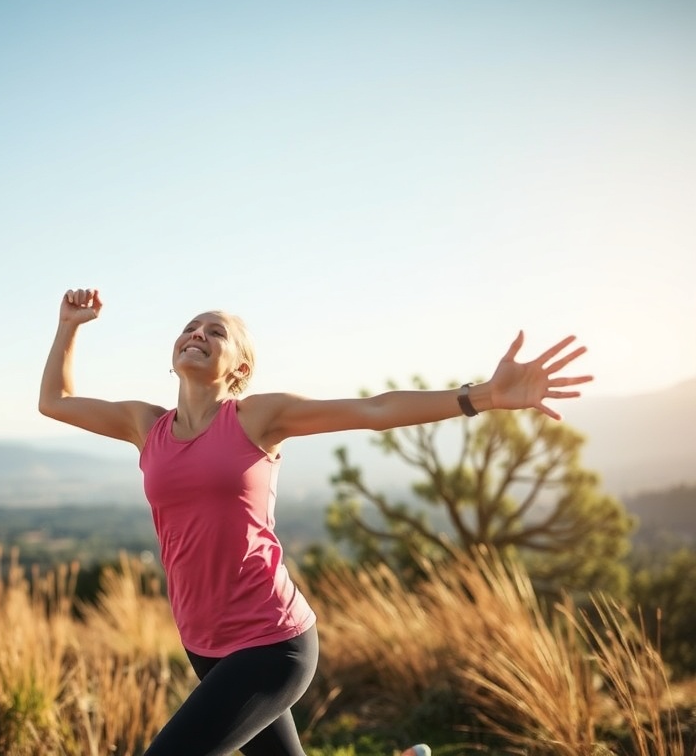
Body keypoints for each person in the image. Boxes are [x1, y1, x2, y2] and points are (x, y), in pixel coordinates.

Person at [38, 288, 593, 756]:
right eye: (190, 328)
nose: (198, 334)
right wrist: (69, 327)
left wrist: (484, 396)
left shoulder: (257, 417)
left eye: (216, 332)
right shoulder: (145, 425)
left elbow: (373, 411)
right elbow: (55, 402)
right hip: (203, 643)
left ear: (241, 368)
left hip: (270, 643)